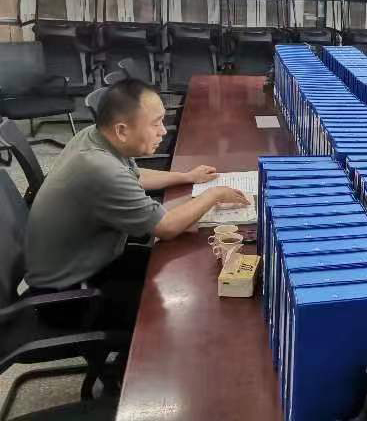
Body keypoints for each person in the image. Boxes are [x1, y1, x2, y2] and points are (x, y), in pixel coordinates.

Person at [24, 78, 250, 329]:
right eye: (155, 123)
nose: (163, 131)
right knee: (183, 312)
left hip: (91, 264)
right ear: (122, 131)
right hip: (69, 297)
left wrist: (187, 177)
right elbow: (166, 226)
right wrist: (213, 194)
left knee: (184, 268)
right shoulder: (99, 169)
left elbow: (135, 176)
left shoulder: (94, 137)